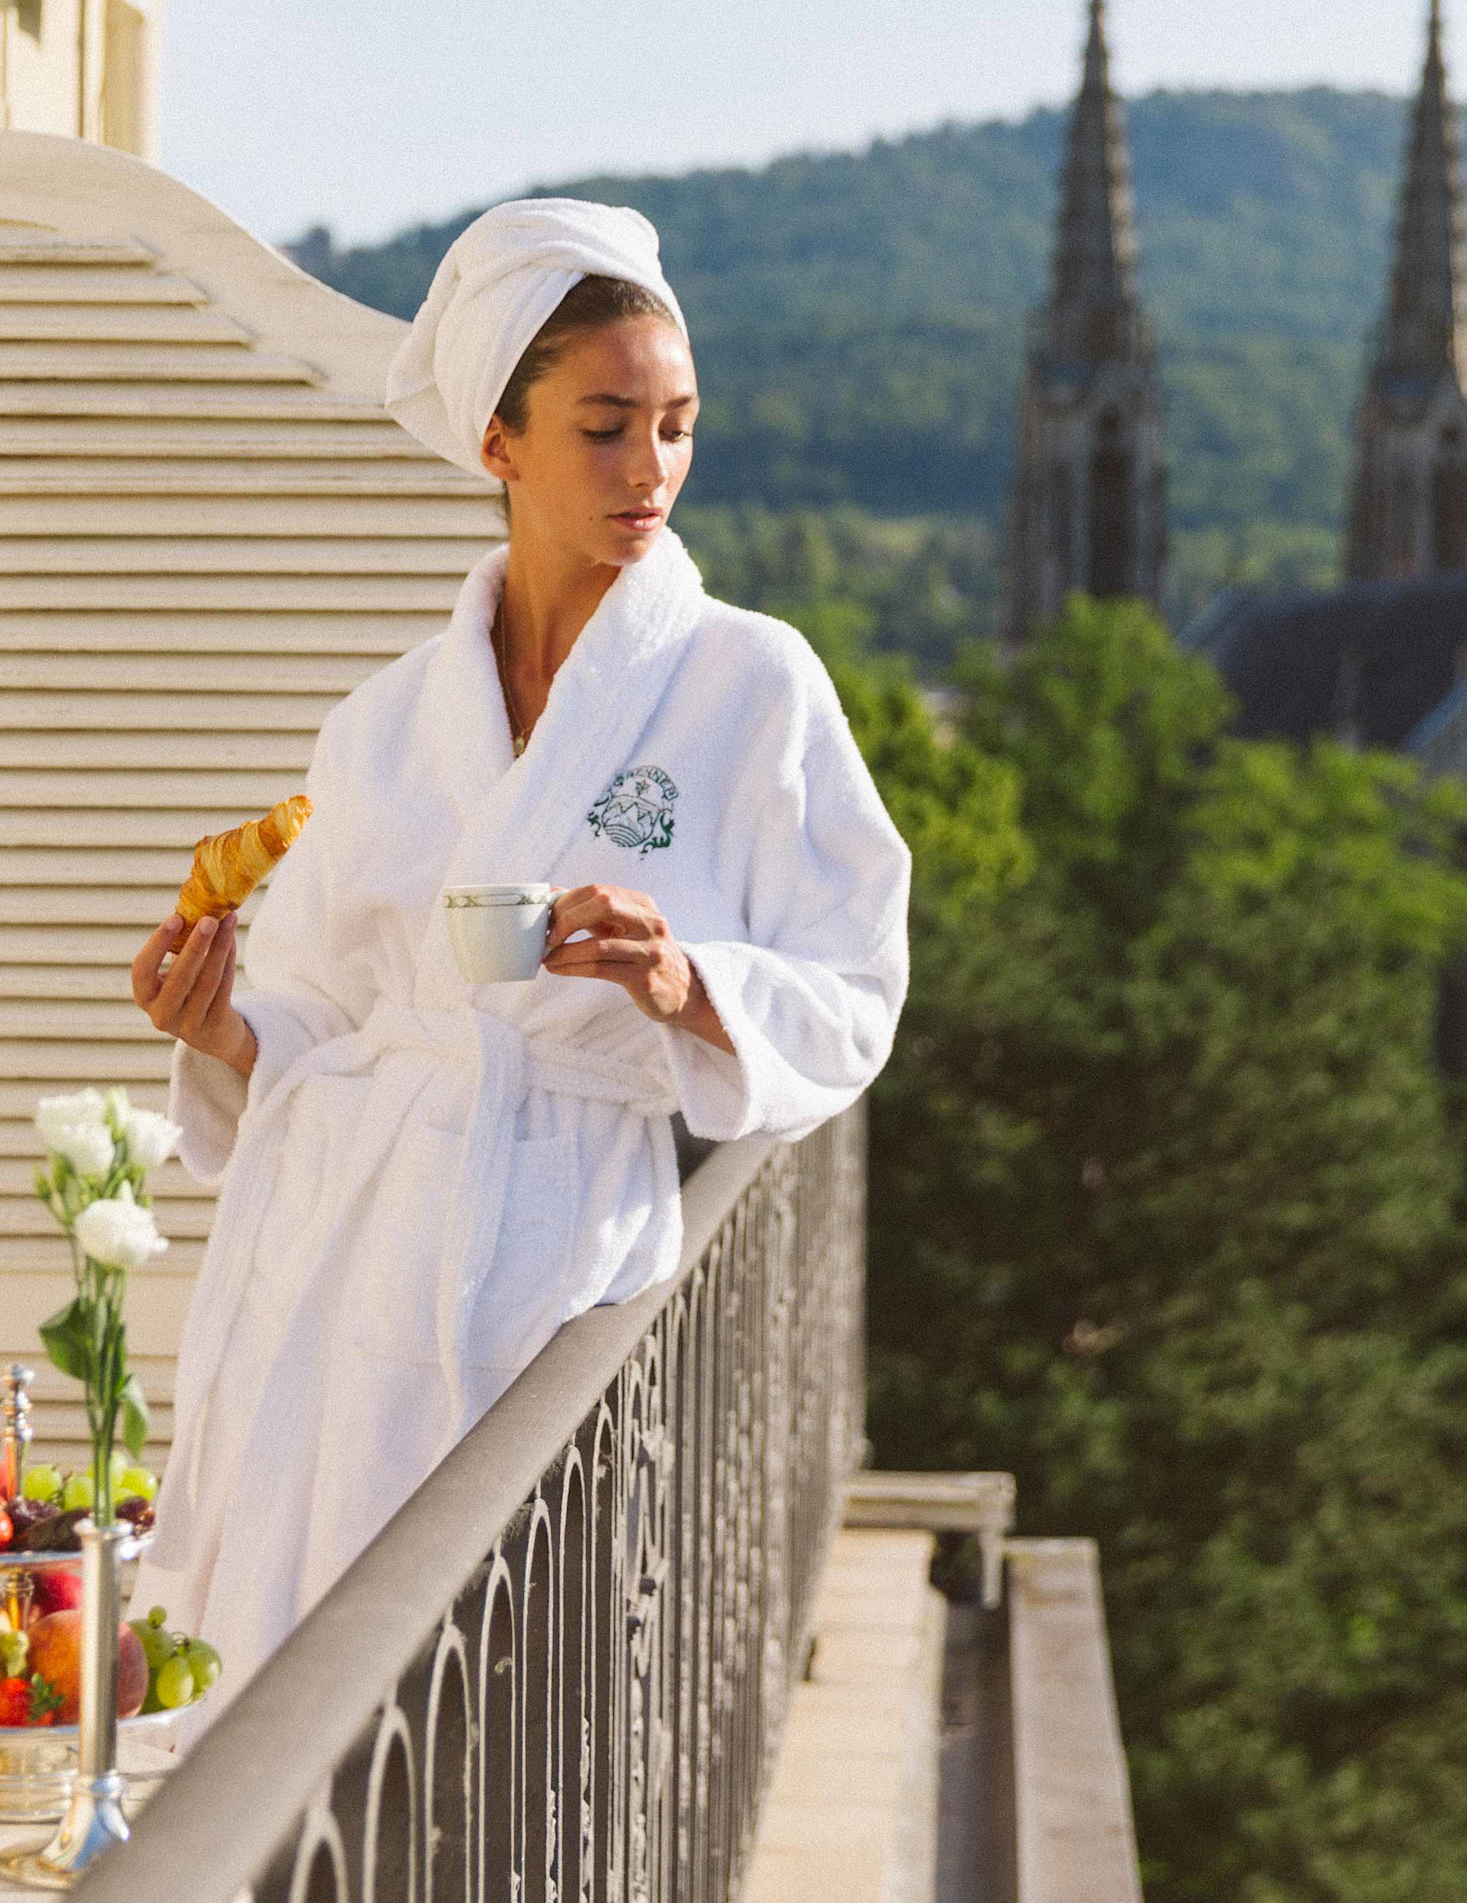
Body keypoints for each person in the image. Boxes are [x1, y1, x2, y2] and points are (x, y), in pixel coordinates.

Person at [127, 198, 911, 1694]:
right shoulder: (389, 718)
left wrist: (693, 987)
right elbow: (325, 1000)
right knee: (296, 1684)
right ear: (501, 442)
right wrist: (221, 1024)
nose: (653, 470)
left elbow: (857, 985)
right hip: (343, 1237)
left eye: (678, 425)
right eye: (607, 426)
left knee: (508, 1695)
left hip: (558, 1242)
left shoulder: (750, 682)